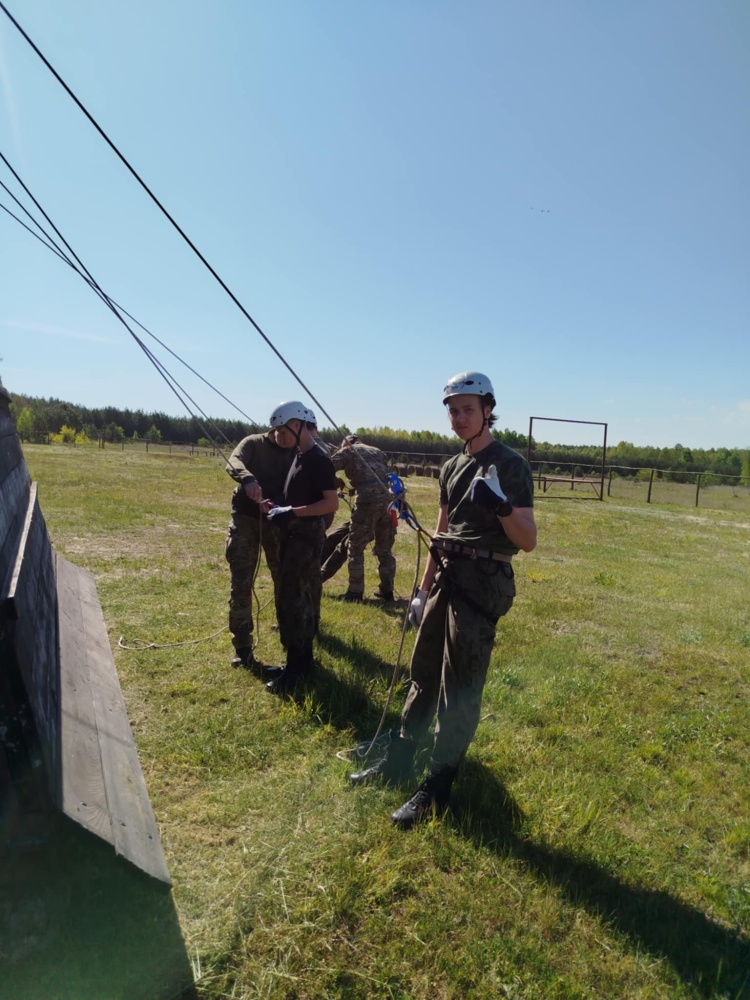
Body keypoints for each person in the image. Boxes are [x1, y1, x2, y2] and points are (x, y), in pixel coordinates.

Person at [350, 371, 537, 828]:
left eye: (468, 409)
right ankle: (400, 759)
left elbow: (528, 540)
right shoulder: (451, 467)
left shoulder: (510, 464)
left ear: (488, 410)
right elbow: (440, 533)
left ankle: (437, 786)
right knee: (423, 673)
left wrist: (501, 506)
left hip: (484, 580)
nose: (459, 418)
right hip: (447, 574)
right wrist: (421, 591)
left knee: (460, 687)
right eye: (453, 411)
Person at [263, 402, 338, 694]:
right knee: (292, 599)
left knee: (294, 602)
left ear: (297, 425)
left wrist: (292, 512)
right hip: (293, 536)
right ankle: (300, 664)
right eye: (276, 432)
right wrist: (279, 507)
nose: (278, 437)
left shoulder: (318, 458)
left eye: (283, 431)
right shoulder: (300, 455)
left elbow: (330, 503)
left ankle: (296, 671)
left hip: (305, 538)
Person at [224, 422, 295, 669]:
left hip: (276, 522)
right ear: (275, 427)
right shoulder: (253, 443)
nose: (285, 438)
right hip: (245, 520)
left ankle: (290, 639)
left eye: (290, 434)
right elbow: (234, 461)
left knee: (284, 580)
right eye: (282, 432)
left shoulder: (295, 450)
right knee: (241, 583)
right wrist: (248, 479)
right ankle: (242, 648)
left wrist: (279, 504)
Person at [330, 435, 397, 602]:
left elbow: (325, 468)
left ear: (345, 444)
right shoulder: (378, 451)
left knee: (355, 547)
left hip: (367, 502)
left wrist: (336, 482)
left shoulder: (348, 451)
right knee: (385, 549)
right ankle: (387, 591)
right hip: (389, 501)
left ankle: (355, 591)